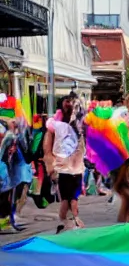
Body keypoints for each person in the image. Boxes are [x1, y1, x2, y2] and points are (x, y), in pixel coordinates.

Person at [44, 96, 85, 234]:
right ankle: (72, 221)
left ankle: (69, 221)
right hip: (71, 170)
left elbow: (49, 128)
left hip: (67, 169)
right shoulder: (80, 127)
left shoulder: (57, 125)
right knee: (71, 199)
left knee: (68, 199)